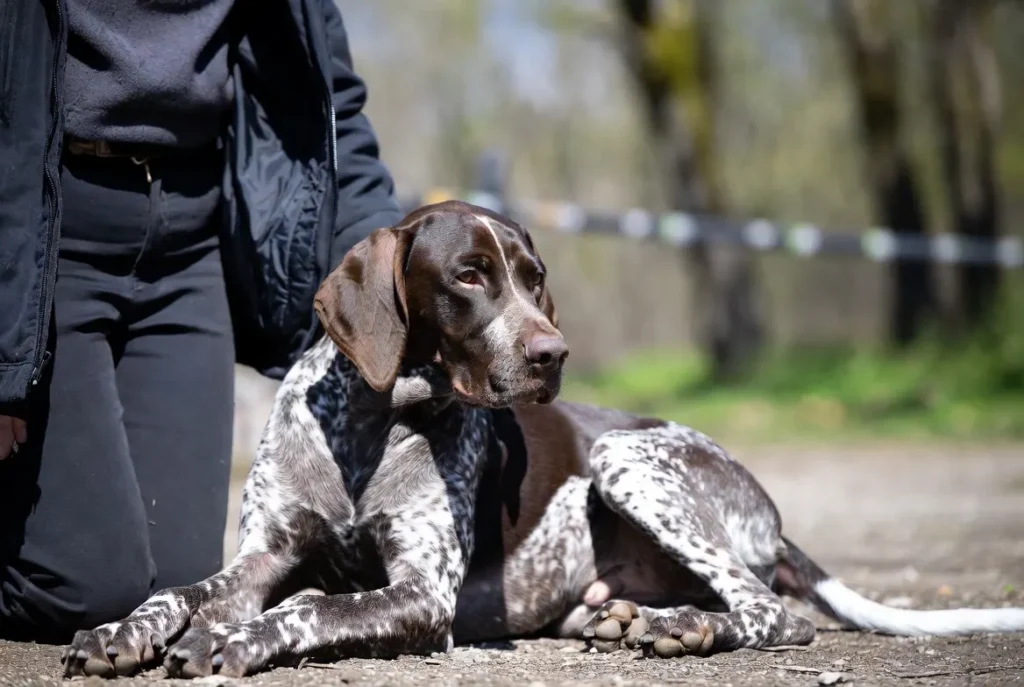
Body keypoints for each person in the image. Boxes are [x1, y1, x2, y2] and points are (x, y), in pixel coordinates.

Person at [0, 0, 403, 643]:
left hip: (191, 237)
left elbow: (329, 109)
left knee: (178, 589)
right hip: (39, 224)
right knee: (81, 592)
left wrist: (394, 274)